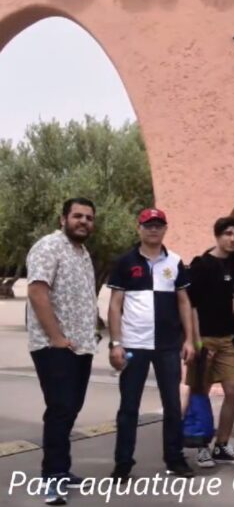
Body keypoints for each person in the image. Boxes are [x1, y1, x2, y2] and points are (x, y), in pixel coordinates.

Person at [107, 208, 196, 480]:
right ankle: (123, 464)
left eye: (158, 225)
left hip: (168, 346)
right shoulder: (125, 262)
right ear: (139, 228)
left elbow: (184, 302)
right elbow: (115, 305)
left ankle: (175, 459)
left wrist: (190, 339)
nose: (153, 229)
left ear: (165, 229)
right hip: (134, 345)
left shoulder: (175, 262)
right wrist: (116, 343)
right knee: (128, 408)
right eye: (148, 225)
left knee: (173, 406)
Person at [26, 198, 98, 505]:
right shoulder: (48, 246)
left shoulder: (83, 253)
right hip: (54, 345)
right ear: (63, 219)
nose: (83, 222)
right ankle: (52, 477)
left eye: (89, 218)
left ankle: (62, 469)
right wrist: (56, 337)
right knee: (60, 408)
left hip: (81, 345)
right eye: (77, 216)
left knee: (70, 408)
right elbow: (36, 291)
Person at [186, 217, 234, 468]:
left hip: (226, 340)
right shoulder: (201, 264)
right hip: (205, 339)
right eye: (228, 233)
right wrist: (196, 341)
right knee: (200, 392)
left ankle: (221, 445)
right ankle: (201, 446)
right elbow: (190, 305)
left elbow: (229, 297)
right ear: (217, 235)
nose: (232, 239)